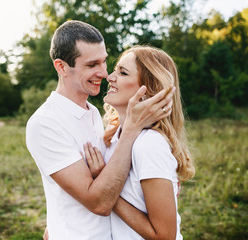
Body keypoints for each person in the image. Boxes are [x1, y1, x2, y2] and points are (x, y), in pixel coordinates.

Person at [25, 20, 174, 240]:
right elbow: (99, 202)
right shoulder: (45, 123)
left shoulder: (94, 114)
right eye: (92, 64)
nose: (104, 73)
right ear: (61, 67)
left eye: (104, 62)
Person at [85, 45, 195, 239]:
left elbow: (165, 236)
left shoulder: (149, 144)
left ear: (147, 91)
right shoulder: (113, 137)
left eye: (123, 72)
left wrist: (103, 185)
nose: (109, 77)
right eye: (115, 70)